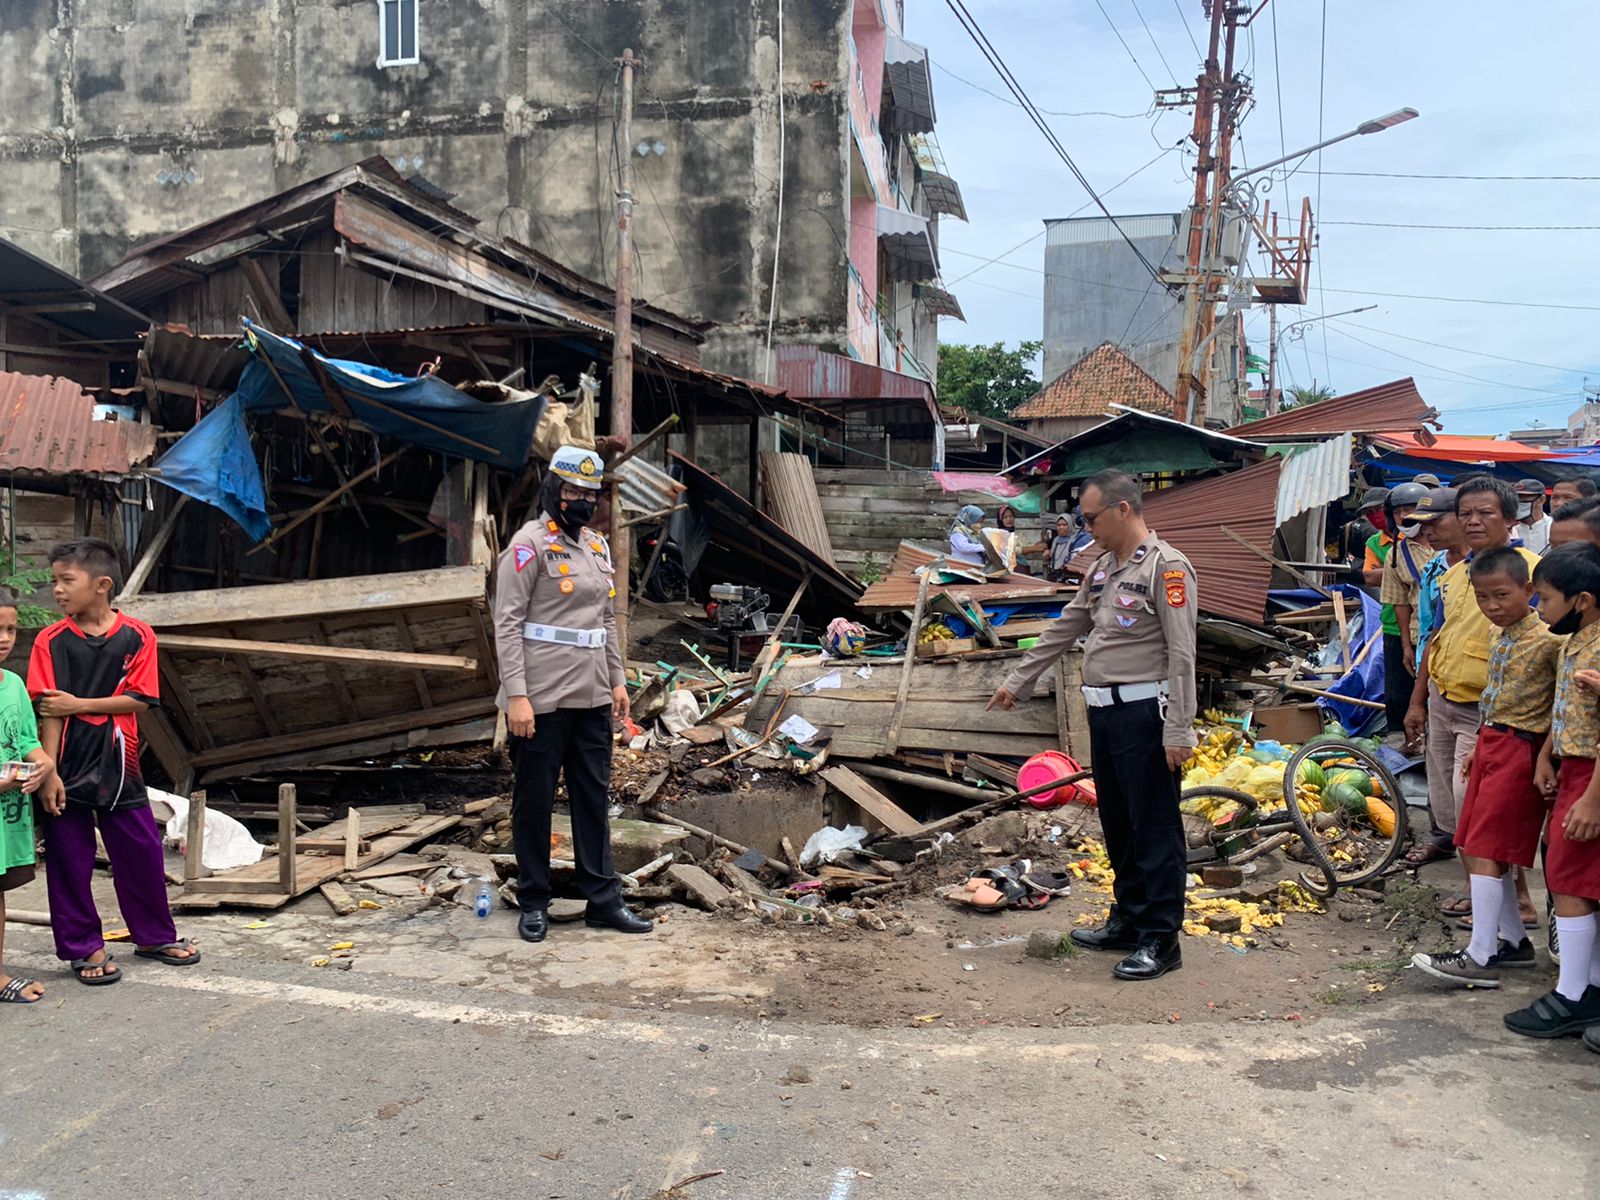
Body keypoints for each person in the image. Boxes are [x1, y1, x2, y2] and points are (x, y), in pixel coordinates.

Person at [987, 469, 1197, 982]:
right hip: (1104, 714)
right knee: (1119, 823)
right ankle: (1128, 919)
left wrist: (1179, 730)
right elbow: (1068, 624)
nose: (1086, 528)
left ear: (1123, 509)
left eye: (1091, 518)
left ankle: (1161, 938)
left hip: (1148, 715)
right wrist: (1019, 678)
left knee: (1155, 826)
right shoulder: (1103, 567)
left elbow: (1183, 653)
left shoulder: (1166, 569)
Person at [493, 446, 651, 944]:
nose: (582, 501)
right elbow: (507, 624)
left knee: (592, 796)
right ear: (553, 490)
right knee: (534, 801)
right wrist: (516, 696)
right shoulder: (529, 545)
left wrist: (618, 680)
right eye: (573, 491)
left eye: (590, 494)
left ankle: (603, 900)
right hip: (540, 698)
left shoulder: (597, 548)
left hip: (591, 696)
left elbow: (605, 620)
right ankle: (534, 898)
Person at [28, 538, 199, 984]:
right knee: (69, 860)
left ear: (101, 584)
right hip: (65, 764)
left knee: (140, 851)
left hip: (120, 763)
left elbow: (139, 700)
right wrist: (48, 772)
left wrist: (76, 704)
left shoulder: (138, 634)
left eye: (67, 580)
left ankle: (155, 935)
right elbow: (48, 710)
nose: (58, 591)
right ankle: (84, 948)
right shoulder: (51, 641)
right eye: (54, 582)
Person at [1410, 547, 1559, 987]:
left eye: (1501, 596)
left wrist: (1548, 757)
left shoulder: (1549, 642)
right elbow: (1493, 696)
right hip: (1491, 741)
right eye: (1483, 598)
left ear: (1528, 591)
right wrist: (1482, 740)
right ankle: (1512, 941)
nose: (1492, 607)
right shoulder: (1500, 636)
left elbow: (1560, 707)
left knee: (1493, 850)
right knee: (1474, 840)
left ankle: (1481, 953)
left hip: (1524, 749)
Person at [1403, 477, 1541, 926]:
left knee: (1481, 812)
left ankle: (1510, 903)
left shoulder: (1531, 571)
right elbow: (1436, 637)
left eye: (1485, 513)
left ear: (1510, 517)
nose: (1474, 521)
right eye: (1466, 513)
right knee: (1451, 811)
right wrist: (1418, 701)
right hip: (1444, 700)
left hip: (1491, 714)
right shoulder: (1458, 573)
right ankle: (1486, 895)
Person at [1502, 542, 1600, 1038]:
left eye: (1544, 598)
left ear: (1581, 600)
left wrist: (1592, 798)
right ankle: (1589, 988)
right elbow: (1567, 710)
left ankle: (1574, 994)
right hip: (1574, 768)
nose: (1539, 608)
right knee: (1573, 878)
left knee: (1570, 882)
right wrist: (1547, 754)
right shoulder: (1575, 643)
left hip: (1593, 777)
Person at [0, 599, 57, 1005]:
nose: (3, 640)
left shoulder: (13, 686)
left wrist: (44, 766)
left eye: (11, 630)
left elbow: (26, 742)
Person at [1375, 481, 1430, 734]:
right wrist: (1406, 646)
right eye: (1397, 512)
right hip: (1420, 635)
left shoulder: (1447, 544)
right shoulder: (1396, 554)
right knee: (1406, 695)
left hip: (1453, 633)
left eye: (1409, 510)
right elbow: (1400, 603)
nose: (1403, 517)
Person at [1411, 486, 1464, 669]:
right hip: (1440, 672)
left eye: (1434, 522)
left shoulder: (1491, 566)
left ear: (1461, 516)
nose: (1427, 532)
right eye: (1423, 526)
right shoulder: (1432, 569)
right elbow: (1426, 628)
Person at [1514, 478, 1552, 555]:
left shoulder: (1554, 526)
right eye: (1516, 497)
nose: (1519, 501)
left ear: (1541, 500)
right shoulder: (1510, 530)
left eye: (1523, 496)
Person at [1046, 515, 1078, 582]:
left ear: (1070, 526)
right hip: (1055, 573)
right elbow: (1053, 556)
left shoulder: (1075, 539)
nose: (1061, 527)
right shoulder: (1056, 540)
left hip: (1069, 575)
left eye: (1064, 525)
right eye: (1059, 525)